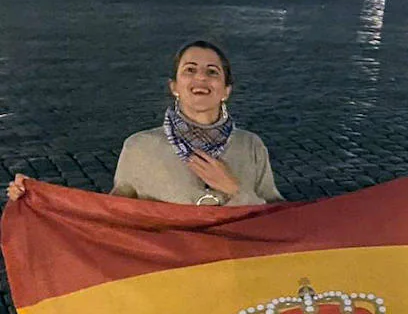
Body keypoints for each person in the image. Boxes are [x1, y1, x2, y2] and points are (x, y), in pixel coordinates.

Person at [8, 41, 282, 207]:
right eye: (190, 70)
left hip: (233, 273)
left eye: (212, 72)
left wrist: (234, 189)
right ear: (174, 87)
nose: (201, 78)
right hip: (169, 279)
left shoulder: (250, 146)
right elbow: (112, 214)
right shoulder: (140, 147)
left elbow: (278, 218)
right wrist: (41, 198)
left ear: (225, 90)